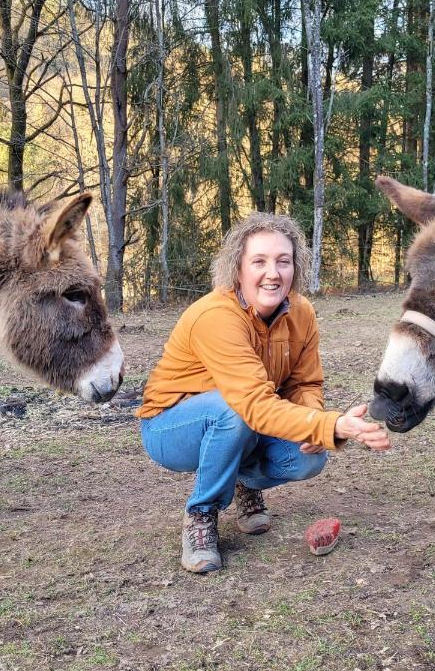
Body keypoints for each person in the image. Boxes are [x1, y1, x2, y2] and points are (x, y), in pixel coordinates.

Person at [137, 213, 391, 574]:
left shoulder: (301, 312)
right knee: (232, 411)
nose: (272, 273)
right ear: (237, 268)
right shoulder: (215, 315)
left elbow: (304, 384)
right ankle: (201, 516)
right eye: (259, 261)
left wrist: (314, 427)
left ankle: (242, 482)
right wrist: (331, 424)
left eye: (283, 262)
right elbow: (253, 403)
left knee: (309, 458)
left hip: (244, 419)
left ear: (295, 267)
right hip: (170, 427)